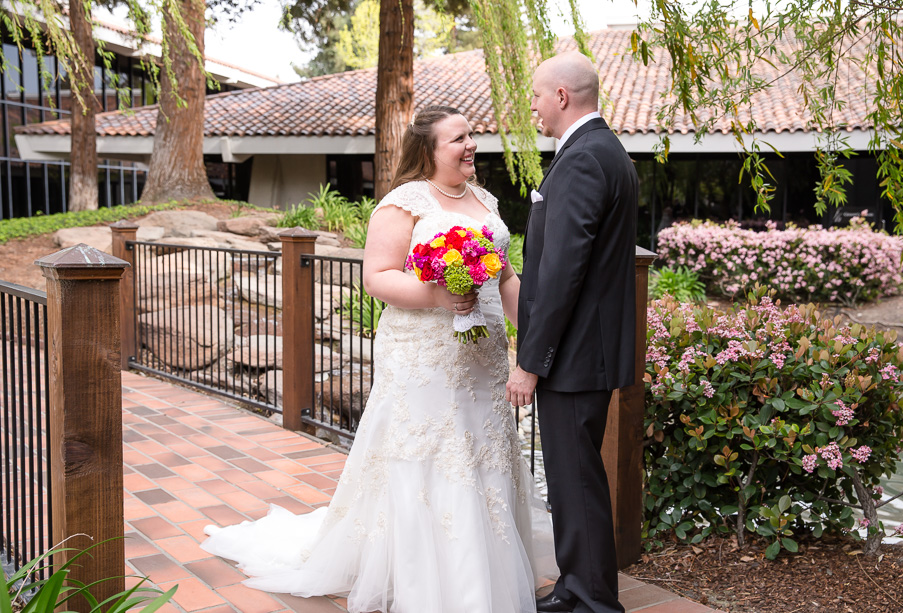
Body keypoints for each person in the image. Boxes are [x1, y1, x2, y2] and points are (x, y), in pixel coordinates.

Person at [201, 105, 557, 613]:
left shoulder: (485, 200)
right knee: (430, 454)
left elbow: (504, 279)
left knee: (484, 450)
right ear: (430, 150)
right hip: (424, 353)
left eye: (471, 135)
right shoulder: (402, 204)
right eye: (459, 138)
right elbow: (379, 277)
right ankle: (432, 582)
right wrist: (437, 296)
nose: (471, 144)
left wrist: (537, 337)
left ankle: (486, 569)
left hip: (482, 355)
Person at [506, 51, 638, 613]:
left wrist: (530, 361)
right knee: (572, 478)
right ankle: (576, 589)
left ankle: (591, 602)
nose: (532, 106)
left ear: (562, 96)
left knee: (574, 480)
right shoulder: (605, 151)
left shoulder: (584, 158)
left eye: (536, 95)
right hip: (588, 352)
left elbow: (563, 272)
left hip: (574, 355)